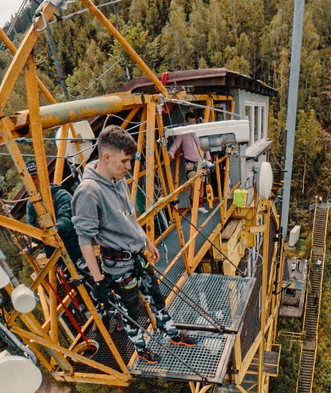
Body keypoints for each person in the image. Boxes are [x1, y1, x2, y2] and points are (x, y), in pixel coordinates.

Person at [72, 125, 196, 365]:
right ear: (106, 157)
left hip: (137, 255)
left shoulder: (116, 179)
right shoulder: (88, 192)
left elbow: (129, 216)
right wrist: (99, 282)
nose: (129, 167)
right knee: (131, 311)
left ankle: (171, 333)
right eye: (125, 161)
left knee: (155, 297)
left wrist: (147, 241)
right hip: (118, 267)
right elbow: (85, 241)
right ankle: (141, 348)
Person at [26, 160, 83, 266]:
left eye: (35, 178)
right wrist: (41, 235)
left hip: (77, 250)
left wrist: (51, 230)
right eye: (30, 180)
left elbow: (68, 220)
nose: (34, 182)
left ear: (44, 176)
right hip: (57, 257)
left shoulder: (62, 196)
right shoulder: (31, 205)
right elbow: (32, 232)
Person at [168, 111, 212, 213]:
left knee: (201, 183)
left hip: (201, 162)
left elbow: (205, 146)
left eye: (193, 122)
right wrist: (171, 153)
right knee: (194, 184)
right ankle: (194, 205)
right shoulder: (183, 133)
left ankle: (199, 204)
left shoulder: (199, 132)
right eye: (190, 122)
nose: (192, 124)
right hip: (190, 163)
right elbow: (176, 144)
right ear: (187, 122)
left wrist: (208, 159)